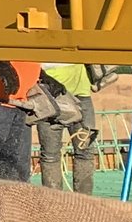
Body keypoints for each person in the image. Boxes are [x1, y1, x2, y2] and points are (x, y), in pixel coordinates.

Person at [31, 63, 110, 196]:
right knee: (50, 155)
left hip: (81, 96)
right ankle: (54, 202)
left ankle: (83, 201)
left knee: (85, 151)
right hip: (51, 96)